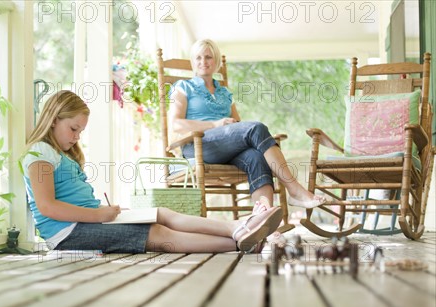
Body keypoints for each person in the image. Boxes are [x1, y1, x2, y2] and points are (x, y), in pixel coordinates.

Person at [21, 90, 283, 254]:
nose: (77, 137)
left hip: (86, 221)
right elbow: (47, 207)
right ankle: (241, 241)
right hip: (68, 233)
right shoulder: (40, 153)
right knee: (158, 234)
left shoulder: (59, 154)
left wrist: (101, 214)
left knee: (161, 214)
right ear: (53, 119)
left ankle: (236, 227)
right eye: (73, 128)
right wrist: (98, 214)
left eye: (80, 131)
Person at [169, 39, 326, 230]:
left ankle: (264, 223)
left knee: (256, 156)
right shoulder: (183, 88)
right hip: (198, 145)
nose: (203, 61)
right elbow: (176, 124)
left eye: (208, 56)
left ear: (216, 60)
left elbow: (238, 124)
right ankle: (294, 188)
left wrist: (232, 129)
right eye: (198, 57)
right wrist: (214, 124)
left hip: (224, 147)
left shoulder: (224, 93)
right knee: (256, 128)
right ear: (192, 61)